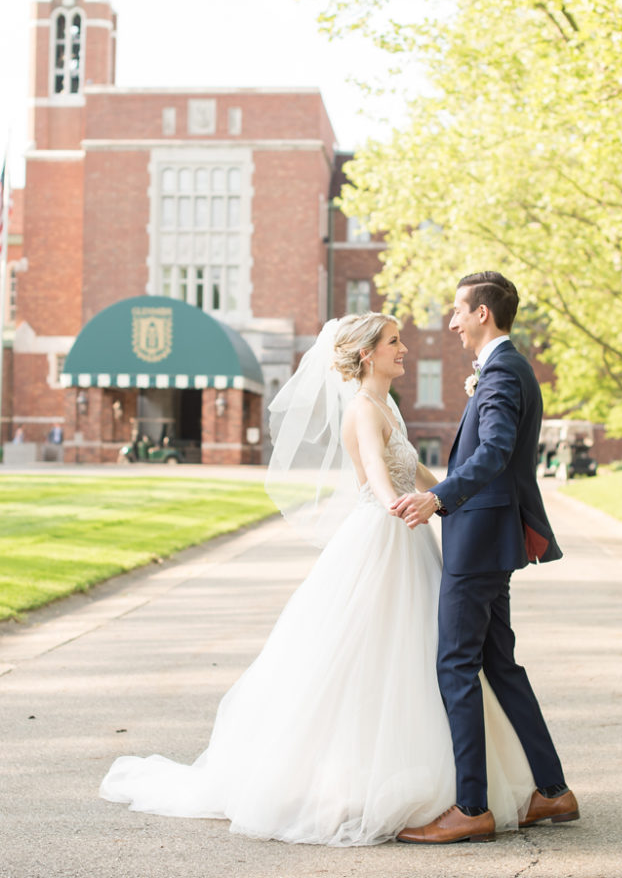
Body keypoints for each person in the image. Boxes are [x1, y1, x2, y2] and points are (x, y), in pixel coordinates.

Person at [100, 312, 535, 845]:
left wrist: (445, 496)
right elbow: (377, 474)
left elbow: (416, 472)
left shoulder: (389, 406)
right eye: (395, 342)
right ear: (367, 354)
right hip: (381, 537)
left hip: (409, 535)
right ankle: (356, 782)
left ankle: (450, 784)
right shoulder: (360, 410)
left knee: (425, 653)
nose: (404, 349)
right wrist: (403, 505)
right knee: (369, 655)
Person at [392, 272, 579, 844]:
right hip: (489, 537)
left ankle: (471, 806)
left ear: (482, 315)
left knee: (455, 663)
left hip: (477, 540)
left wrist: (438, 495)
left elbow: (495, 450)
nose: (450, 322)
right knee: (500, 665)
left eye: (457, 311)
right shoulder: (506, 368)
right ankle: (552, 791)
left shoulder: (500, 372)